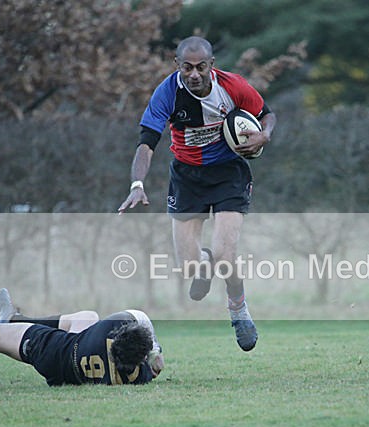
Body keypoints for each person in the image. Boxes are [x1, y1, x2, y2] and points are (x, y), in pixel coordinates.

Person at [117, 36, 275, 352]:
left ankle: (238, 310)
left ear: (211, 66)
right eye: (187, 67)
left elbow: (267, 114)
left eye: (200, 67)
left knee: (225, 253)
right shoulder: (167, 93)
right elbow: (147, 143)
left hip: (229, 173)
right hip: (187, 177)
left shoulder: (233, 86)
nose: (194, 74)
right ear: (178, 66)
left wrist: (264, 135)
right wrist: (137, 185)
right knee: (188, 265)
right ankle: (203, 264)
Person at [0, 288, 165, 392]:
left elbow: (139, 316)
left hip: (55, 352)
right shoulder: (140, 377)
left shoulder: (109, 328)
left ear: (117, 333)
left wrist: (155, 347)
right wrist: (152, 357)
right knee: (86, 315)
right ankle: (15, 318)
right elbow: (154, 367)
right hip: (74, 371)